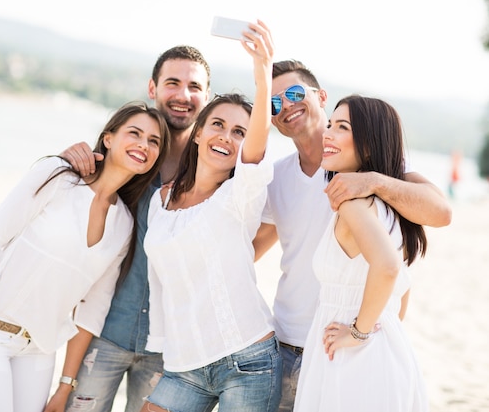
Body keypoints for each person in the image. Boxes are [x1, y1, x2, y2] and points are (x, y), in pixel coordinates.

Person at [252, 60, 452, 411]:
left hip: (343, 345)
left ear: (320, 95)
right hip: (292, 343)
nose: (286, 106)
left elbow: (438, 215)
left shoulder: (370, 180)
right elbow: (253, 249)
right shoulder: (276, 177)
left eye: (295, 93)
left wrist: (363, 330)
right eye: (274, 103)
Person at [0, 101, 170, 412]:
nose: (143, 145)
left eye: (154, 141)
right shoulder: (57, 176)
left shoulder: (124, 224)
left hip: (40, 350)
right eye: (135, 133)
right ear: (108, 138)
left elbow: (93, 309)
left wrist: (66, 385)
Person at [59, 45, 211, 412]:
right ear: (152, 88)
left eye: (194, 86)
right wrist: (70, 159)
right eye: (172, 83)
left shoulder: (216, 171)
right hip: (103, 332)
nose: (182, 95)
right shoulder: (129, 158)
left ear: (207, 98)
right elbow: (79, 200)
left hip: (170, 347)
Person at [141, 20, 281, 412]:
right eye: (218, 124)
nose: (227, 136)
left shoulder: (240, 195)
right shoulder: (161, 200)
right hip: (184, 364)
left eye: (239, 131)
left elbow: (256, 148)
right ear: (199, 132)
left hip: (248, 360)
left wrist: (263, 74)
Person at [294, 95, 429, 411]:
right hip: (388, 346)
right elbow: (402, 287)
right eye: (330, 124)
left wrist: (358, 333)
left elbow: (388, 267)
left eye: (341, 127)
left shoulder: (354, 204)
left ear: (369, 145)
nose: (327, 133)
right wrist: (375, 327)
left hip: (353, 357)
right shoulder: (395, 208)